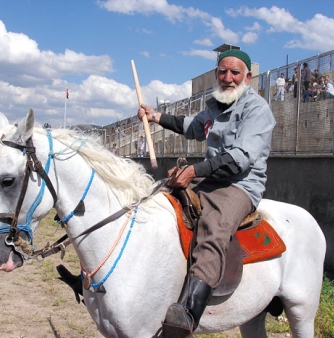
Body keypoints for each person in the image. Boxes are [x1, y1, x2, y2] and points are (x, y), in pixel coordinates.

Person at [138, 49, 276, 336]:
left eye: (235, 73)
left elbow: (240, 158)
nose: (228, 78)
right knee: (160, 200)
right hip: (209, 178)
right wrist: (156, 117)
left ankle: (188, 312)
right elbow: (193, 127)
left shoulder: (257, 110)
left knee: (213, 226)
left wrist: (195, 171)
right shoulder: (215, 104)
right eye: (222, 72)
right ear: (216, 75)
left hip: (240, 184)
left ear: (247, 77)